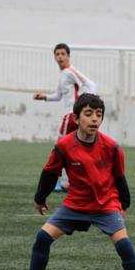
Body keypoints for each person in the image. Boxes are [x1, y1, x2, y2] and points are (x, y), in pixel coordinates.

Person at [1, 93, 135, 270]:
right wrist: (40, 199)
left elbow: (120, 178)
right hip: (75, 205)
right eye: (88, 114)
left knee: (125, 247)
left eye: (98, 115)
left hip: (105, 206)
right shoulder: (64, 146)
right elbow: (49, 172)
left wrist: (123, 206)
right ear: (76, 118)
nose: (94, 119)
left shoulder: (112, 147)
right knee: (42, 238)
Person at [33, 43, 97, 192]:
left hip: (71, 115)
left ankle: (63, 182)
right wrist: (44, 97)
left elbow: (91, 85)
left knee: (60, 148)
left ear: (68, 56)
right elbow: (59, 95)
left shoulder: (70, 72)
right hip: (74, 115)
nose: (60, 56)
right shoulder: (62, 75)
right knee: (77, 148)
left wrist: (86, 104)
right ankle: (77, 181)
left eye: (63, 53)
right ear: (54, 57)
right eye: (57, 54)